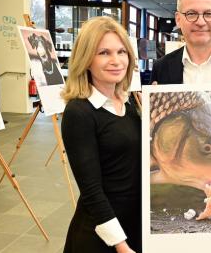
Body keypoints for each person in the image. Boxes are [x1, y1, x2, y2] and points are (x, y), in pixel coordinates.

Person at [60, 16, 141, 253]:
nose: (116, 61)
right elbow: (91, 190)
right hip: (102, 236)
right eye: (104, 53)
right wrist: (121, 245)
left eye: (122, 52)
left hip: (134, 224)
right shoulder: (79, 112)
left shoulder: (129, 104)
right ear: (86, 60)